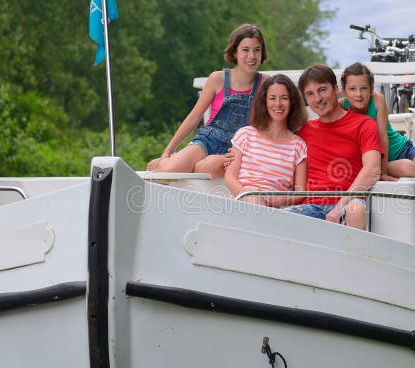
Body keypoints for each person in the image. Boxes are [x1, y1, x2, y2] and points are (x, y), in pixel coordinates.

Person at [146, 23, 269, 177]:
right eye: (245, 50)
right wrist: (168, 150)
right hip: (208, 139)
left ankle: (195, 162)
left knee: (205, 170)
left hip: (235, 149)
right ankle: (168, 161)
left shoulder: (266, 84)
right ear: (235, 52)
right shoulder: (217, 78)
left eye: (257, 50)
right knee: (169, 170)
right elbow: (194, 117)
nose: (251, 56)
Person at [290, 64, 383, 230]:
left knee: (355, 209)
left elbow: (373, 170)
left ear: (336, 89)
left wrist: (339, 207)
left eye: (322, 90)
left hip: (349, 204)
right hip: (311, 207)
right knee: (279, 222)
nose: (317, 98)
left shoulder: (364, 124)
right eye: (310, 94)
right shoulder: (304, 131)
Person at [225, 74, 308, 206]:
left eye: (284, 98)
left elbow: (299, 192)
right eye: (272, 98)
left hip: (275, 210)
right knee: (253, 200)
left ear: (292, 103)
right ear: (264, 102)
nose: (278, 104)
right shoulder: (245, 134)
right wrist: (248, 195)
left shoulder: (298, 146)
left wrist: (274, 201)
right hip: (242, 203)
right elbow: (229, 178)